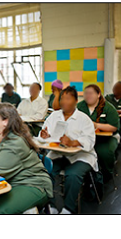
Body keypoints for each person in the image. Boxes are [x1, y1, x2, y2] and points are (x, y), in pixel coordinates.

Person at [0, 103, 53, 214]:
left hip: (31, 184)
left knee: (1, 211)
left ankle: (26, 209)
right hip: (10, 181)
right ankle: (20, 209)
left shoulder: (15, 142)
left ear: (5, 121)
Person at [42, 86, 97, 214]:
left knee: (72, 175)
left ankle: (68, 209)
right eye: (62, 98)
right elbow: (45, 134)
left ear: (76, 101)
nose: (64, 101)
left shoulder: (84, 119)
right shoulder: (54, 116)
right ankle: (52, 205)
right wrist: (45, 136)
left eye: (68, 98)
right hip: (58, 154)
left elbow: (90, 140)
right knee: (45, 170)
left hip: (81, 156)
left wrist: (73, 142)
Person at [77, 84, 119, 182]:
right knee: (79, 151)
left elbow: (114, 127)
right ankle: (86, 176)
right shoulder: (80, 106)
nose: (88, 96)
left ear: (98, 94)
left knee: (104, 152)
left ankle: (106, 174)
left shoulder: (108, 108)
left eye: (91, 93)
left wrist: (96, 125)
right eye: (86, 93)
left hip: (106, 138)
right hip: (86, 137)